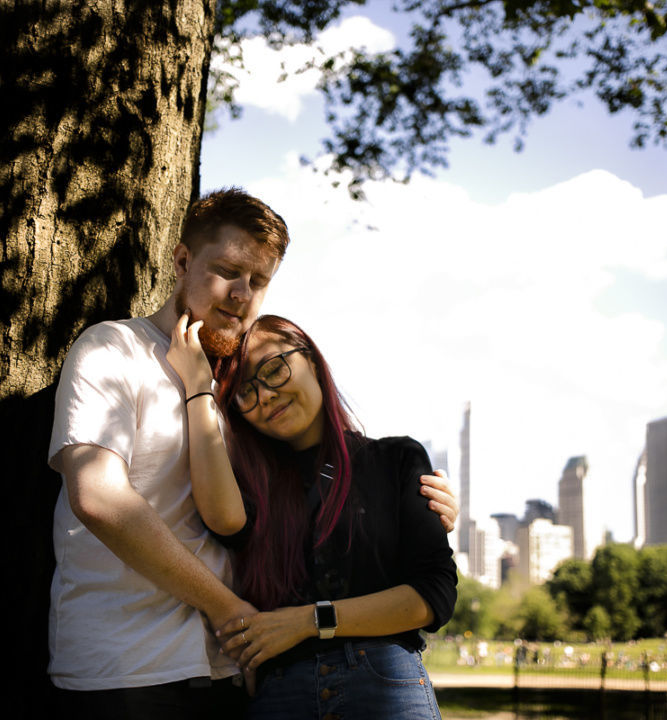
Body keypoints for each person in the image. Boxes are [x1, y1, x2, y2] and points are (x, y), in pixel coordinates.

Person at [46, 188, 458, 719]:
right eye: (227, 270)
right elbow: (99, 498)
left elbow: (277, 506)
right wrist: (231, 610)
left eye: (259, 281)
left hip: (230, 675)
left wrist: (420, 503)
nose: (242, 293)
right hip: (128, 670)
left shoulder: (232, 395)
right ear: (182, 260)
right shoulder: (112, 349)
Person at [166, 313, 458, 719]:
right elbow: (221, 519)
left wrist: (308, 621)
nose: (264, 395)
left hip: (382, 685)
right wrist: (199, 388)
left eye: (273, 369)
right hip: (281, 693)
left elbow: (434, 595)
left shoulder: (395, 459)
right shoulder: (251, 489)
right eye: (245, 392)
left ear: (313, 361)